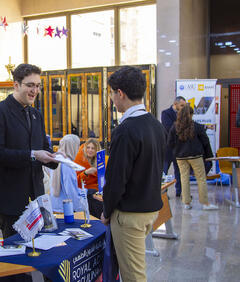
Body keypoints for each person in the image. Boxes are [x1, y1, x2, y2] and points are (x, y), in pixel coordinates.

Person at [101, 66, 166, 282]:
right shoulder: (155, 125)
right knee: (136, 267)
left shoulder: (126, 129)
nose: (111, 99)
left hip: (130, 215)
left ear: (120, 93)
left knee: (133, 276)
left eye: (111, 94)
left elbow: (116, 179)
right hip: (150, 209)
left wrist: (106, 210)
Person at [0, 63, 58, 238]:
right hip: (10, 200)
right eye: (30, 85)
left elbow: (43, 149)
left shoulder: (36, 115)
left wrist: (56, 157)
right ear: (16, 85)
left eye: (38, 85)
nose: (35, 90)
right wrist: (32, 155)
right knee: (17, 255)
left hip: (36, 198)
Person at [168, 105, 218, 211]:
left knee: (184, 178)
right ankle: (205, 203)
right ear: (191, 114)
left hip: (180, 157)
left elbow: (170, 143)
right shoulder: (197, 126)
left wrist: (175, 153)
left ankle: (186, 203)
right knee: (201, 178)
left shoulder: (175, 126)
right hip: (196, 156)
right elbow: (205, 141)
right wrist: (209, 156)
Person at [50, 134, 83, 213]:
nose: (78, 149)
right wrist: (79, 208)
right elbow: (70, 190)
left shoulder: (56, 159)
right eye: (77, 146)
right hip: (66, 209)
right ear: (72, 147)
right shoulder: (68, 164)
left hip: (54, 205)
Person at [161, 96, 186, 196]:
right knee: (164, 171)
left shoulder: (184, 114)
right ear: (175, 104)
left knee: (179, 172)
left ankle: (180, 192)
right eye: (182, 105)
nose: (184, 107)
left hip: (179, 148)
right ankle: (163, 193)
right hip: (167, 148)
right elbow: (169, 127)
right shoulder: (166, 113)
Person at [74, 138, 103, 218]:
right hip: (84, 192)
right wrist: (86, 173)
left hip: (97, 191)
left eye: (93, 148)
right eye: (88, 147)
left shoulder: (100, 161)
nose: (90, 150)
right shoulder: (79, 160)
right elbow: (76, 182)